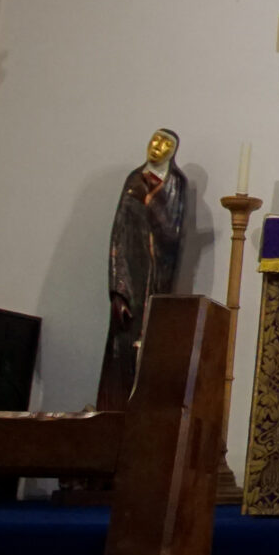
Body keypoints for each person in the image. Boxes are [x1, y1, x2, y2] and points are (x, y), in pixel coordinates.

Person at [97, 128, 188, 409]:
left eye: (166, 144)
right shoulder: (133, 180)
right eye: (155, 140)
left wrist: (149, 199)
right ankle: (113, 408)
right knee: (121, 342)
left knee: (148, 340)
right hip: (130, 273)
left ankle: (140, 408)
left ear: (173, 152)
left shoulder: (176, 183)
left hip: (159, 272)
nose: (157, 147)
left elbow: (172, 231)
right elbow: (119, 233)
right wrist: (118, 288)